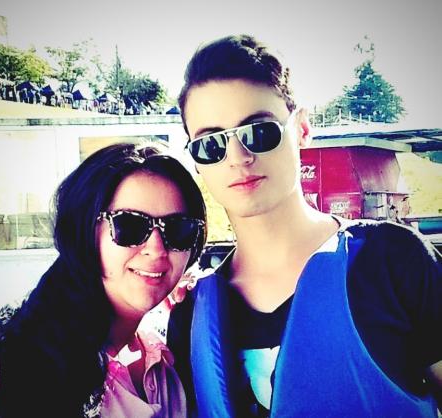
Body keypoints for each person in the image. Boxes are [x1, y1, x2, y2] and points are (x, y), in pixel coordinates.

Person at [167, 34, 442, 417]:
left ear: (301, 129)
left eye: (258, 132)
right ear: (197, 160)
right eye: (211, 144)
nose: (238, 157)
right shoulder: (190, 317)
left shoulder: (393, 260)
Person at [0, 140, 207, 418]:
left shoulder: (163, 364)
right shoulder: (10, 366)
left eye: (179, 229)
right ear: (84, 231)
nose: (157, 248)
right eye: (130, 225)